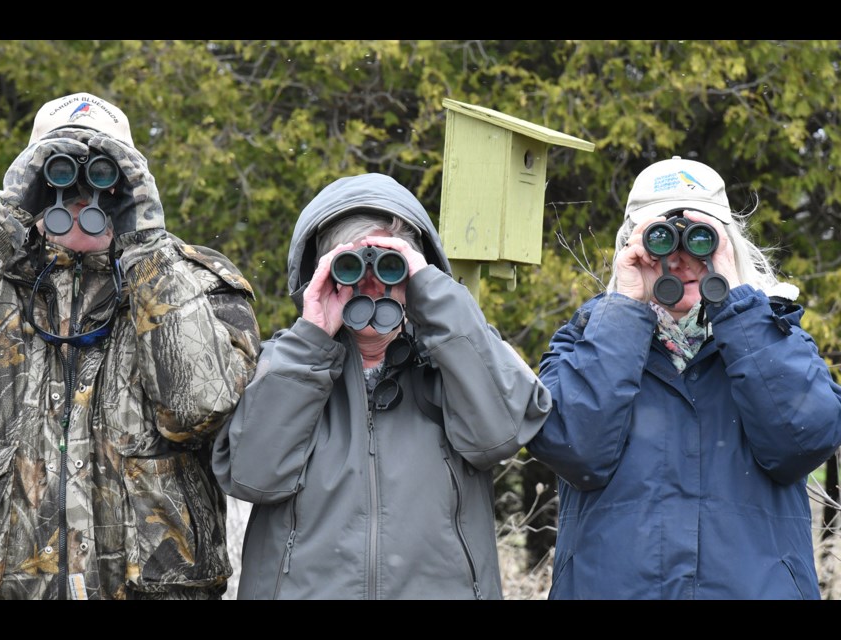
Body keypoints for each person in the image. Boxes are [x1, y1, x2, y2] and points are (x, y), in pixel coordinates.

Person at [0, 92, 260, 600]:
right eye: (57, 171)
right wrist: (3, 216)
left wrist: (145, 242)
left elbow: (198, 408)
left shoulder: (192, 284)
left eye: (104, 173)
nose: (82, 192)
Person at [212, 172, 552, 599]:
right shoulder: (286, 364)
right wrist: (313, 334)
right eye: (350, 266)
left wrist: (433, 295)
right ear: (322, 273)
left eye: (390, 266)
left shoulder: (457, 362)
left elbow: (501, 433)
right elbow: (252, 476)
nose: (372, 284)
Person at [527, 156, 841, 599]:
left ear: (727, 245)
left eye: (701, 240)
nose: (680, 260)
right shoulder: (588, 342)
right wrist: (627, 309)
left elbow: (803, 441)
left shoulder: (775, 334)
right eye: (659, 240)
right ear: (632, 248)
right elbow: (576, 451)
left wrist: (737, 307)